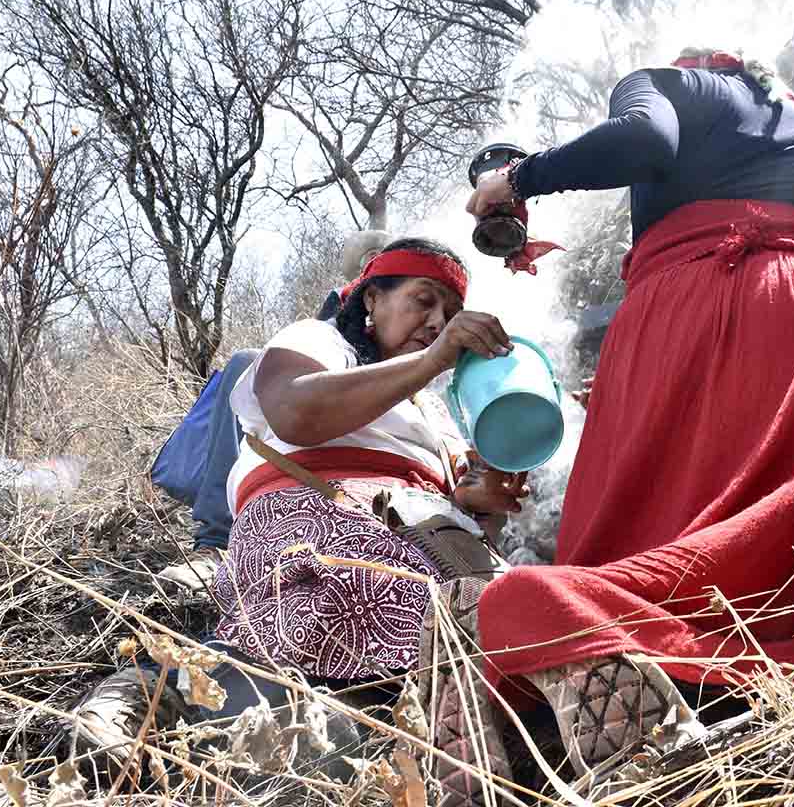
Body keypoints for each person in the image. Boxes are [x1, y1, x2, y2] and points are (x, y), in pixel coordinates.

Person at [453, 50, 794, 797]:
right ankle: (790, 698)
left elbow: (644, 140)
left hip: (719, 296)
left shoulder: (670, 82)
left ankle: (616, 661)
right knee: (791, 547)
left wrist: (515, 178)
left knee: (620, 550)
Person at [73, 237, 527, 779]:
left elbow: (463, 512)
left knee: (502, 619)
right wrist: (433, 360)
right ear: (371, 300)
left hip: (421, 531)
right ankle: (154, 691)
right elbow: (292, 411)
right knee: (340, 590)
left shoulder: (436, 411)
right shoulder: (320, 342)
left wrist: (483, 503)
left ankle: (366, 735)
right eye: (423, 300)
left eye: (449, 313)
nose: (435, 320)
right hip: (315, 507)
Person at [155, 230, 395, 590]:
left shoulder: (432, 355)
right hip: (297, 441)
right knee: (244, 367)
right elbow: (297, 390)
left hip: (378, 491)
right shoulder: (327, 326)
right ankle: (216, 545)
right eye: (368, 261)